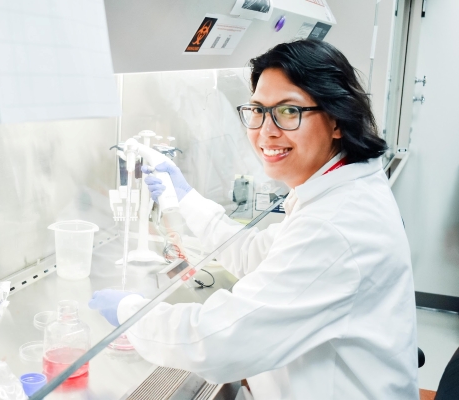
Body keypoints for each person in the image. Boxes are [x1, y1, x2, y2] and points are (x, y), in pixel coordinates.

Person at [89, 40, 418, 399]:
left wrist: (131, 313)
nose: (266, 131)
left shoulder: (337, 225)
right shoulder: (336, 187)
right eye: (258, 110)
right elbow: (259, 254)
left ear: (336, 119)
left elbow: (217, 342)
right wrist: (187, 199)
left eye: (289, 112)